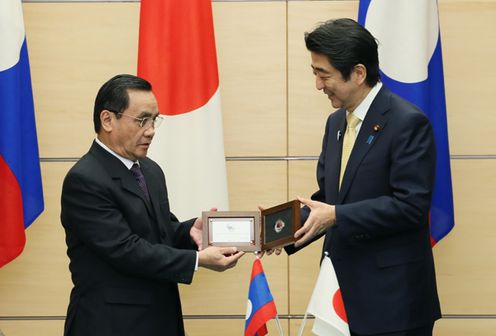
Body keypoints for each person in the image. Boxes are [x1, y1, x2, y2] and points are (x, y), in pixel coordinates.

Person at [285, 19, 441, 335]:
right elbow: (330, 199)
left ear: (358, 73)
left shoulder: (408, 123)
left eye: (323, 74)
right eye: (314, 73)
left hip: (393, 302)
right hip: (340, 296)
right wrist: (276, 231)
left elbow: (411, 207)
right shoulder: (335, 124)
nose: (318, 84)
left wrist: (336, 215)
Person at [60, 74, 244, 336]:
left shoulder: (150, 170)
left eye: (154, 119)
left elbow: (160, 230)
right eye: (141, 120)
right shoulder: (85, 179)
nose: (151, 130)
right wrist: (196, 260)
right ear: (107, 120)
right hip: (110, 324)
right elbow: (125, 249)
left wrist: (190, 230)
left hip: (161, 318)